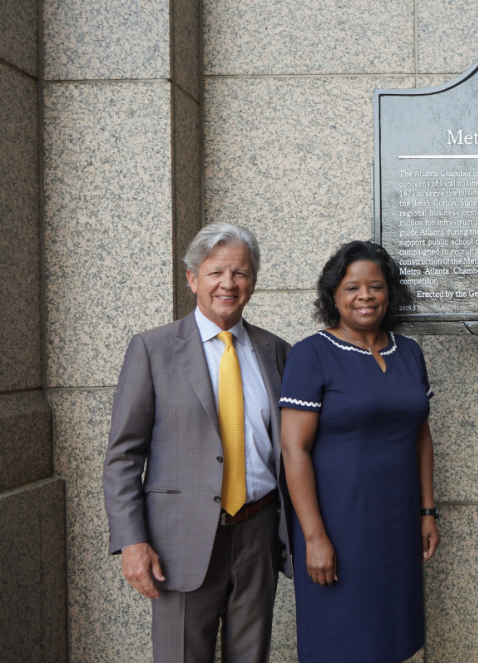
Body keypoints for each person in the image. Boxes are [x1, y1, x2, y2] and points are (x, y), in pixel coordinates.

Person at [103, 222, 292, 662]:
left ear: (254, 282)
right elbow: (123, 457)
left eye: (240, 273)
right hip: (178, 543)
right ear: (192, 278)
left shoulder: (277, 352)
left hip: (258, 533)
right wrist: (132, 542)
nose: (228, 283)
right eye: (216, 272)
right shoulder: (152, 350)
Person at [279, 240, 439, 663]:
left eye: (376, 286)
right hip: (339, 527)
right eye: (352, 287)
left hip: (397, 525)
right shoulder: (311, 354)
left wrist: (427, 512)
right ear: (333, 295)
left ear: (390, 293)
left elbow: (421, 436)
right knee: (341, 642)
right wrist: (314, 538)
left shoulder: (409, 352)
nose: (365, 296)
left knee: (392, 641)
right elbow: (294, 450)